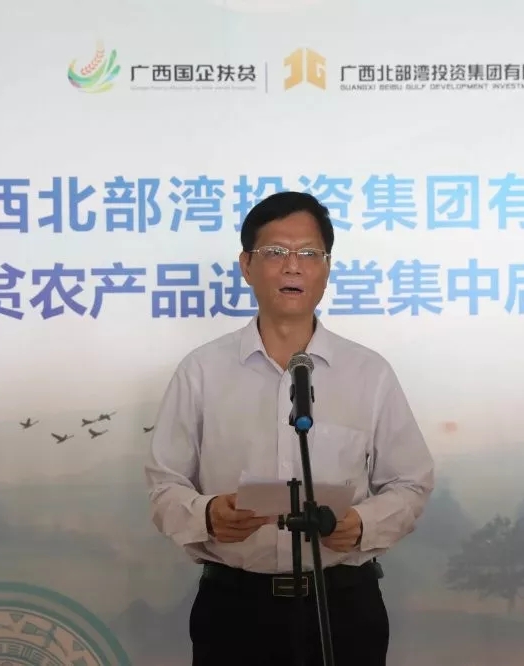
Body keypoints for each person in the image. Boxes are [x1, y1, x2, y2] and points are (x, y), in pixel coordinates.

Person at [143, 191, 435, 666]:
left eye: (309, 253)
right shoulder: (202, 371)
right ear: (246, 265)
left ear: (327, 268)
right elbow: (164, 485)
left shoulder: (369, 373)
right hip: (235, 611)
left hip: (343, 608)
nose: (293, 266)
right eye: (276, 251)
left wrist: (363, 525)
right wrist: (208, 515)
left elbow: (411, 482)